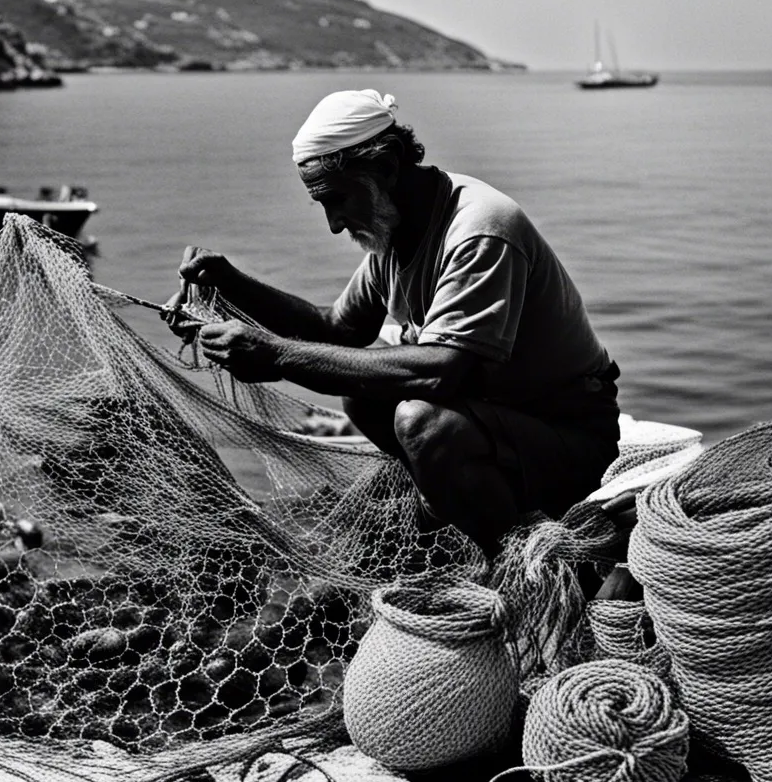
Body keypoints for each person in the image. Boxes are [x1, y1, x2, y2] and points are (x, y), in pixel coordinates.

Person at [167, 89, 619, 559]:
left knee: (421, 422)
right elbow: (339, 330)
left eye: (337, 200)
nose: (334, 224)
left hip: (570, 435)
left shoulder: (480, 228)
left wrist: (276, 356)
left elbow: (443, 369)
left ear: (386, 166)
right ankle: (458, 502)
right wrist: (230, 284)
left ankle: (509, 558)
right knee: (360, 389)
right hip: (502, 418)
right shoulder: (398, 230)